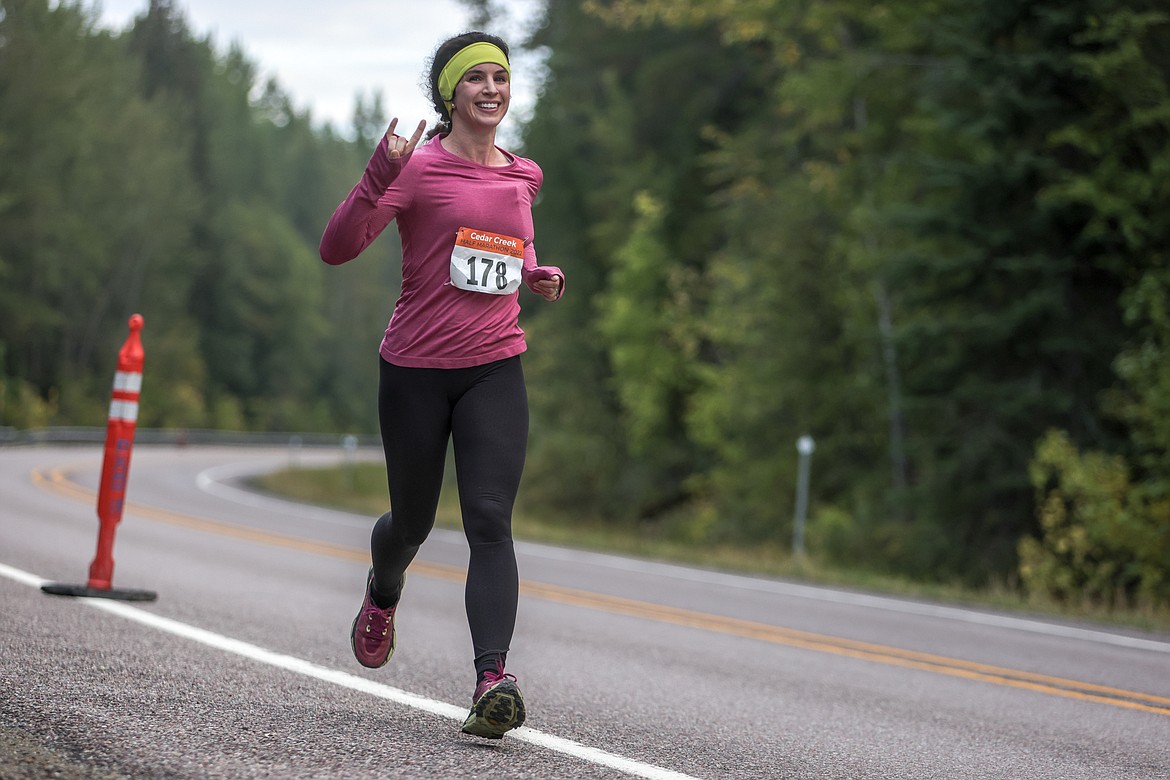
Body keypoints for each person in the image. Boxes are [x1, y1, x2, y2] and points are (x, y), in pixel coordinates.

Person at [319, 31, 563, 740]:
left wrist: (532, 273)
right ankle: (382, 590)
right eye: (477, 79)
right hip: (416, 371)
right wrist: (375, 176)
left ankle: (493, 680)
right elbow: (338, 249)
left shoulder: (526, 174)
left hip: (494, 365)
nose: (492, 88)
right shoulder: (417, 170)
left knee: (489, 518)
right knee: (414, 522)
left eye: (501, 77)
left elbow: (510, 245)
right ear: (451, 94)